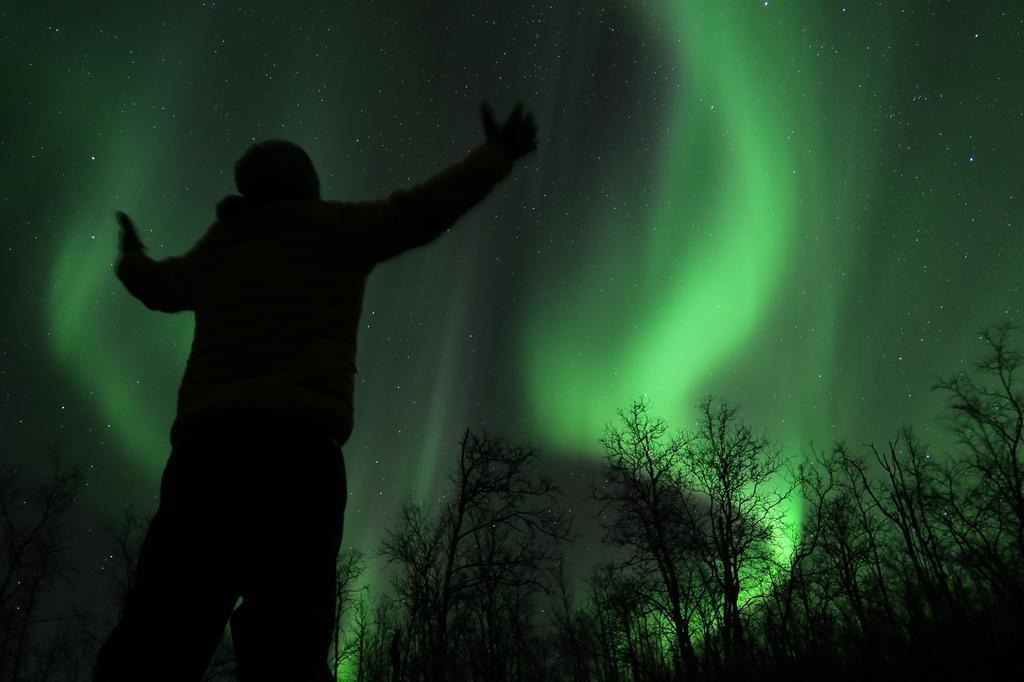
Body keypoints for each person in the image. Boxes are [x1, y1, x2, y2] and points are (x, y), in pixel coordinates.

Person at [93, 101, 538, 681]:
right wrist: (496, 155)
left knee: (161, 631)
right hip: (298, 452)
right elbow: (426, 208)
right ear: (308, 185)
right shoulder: (336, 231)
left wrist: (129, 256)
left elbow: (157, 285)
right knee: (288, 636)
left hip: (208, 452)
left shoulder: (219, 250)